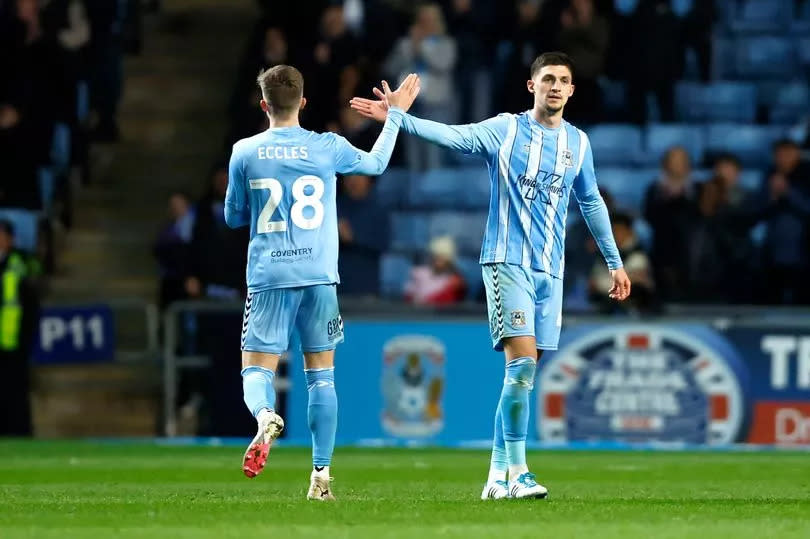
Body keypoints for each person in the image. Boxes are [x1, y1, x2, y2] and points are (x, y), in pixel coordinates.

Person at [351, 51, 630, 500]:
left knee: (521, 375)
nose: (555, 86)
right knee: (521, 366)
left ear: (572, 90)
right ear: (531, 86)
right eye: (547, 79)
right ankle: (518, 472)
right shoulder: (506, 129)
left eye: (563, 80)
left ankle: (496, 478)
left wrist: (615, 261)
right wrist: (399, 119)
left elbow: (592, 202)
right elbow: (452, 137)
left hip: (549, 270)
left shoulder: (578, 143)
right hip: (506, 261)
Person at [225, 65, 420, 499]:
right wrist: (396, 118)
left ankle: (264, 416)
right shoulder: (327, 146)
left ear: (263, 105)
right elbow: (376, 163)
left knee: (256, 369)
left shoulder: (245, 151)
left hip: (269, 276)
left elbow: (233, 216)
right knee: (322, 379)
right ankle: (321, 478)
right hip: (319, 275)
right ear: (304, 102)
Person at [0, 220, 40, 437]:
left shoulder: (19, 263)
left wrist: (25, 338)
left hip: (13, 342)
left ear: (9, 239)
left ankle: (19, 434)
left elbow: (30, 304)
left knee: (15, 393)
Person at [404, 235, 467, 305]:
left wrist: (422, 301)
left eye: (442, 256)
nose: (437, 260)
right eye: (435, 256)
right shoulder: (419, 274)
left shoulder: (455, 281)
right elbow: (408, 297)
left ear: (449, 259)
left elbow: (444, 303)